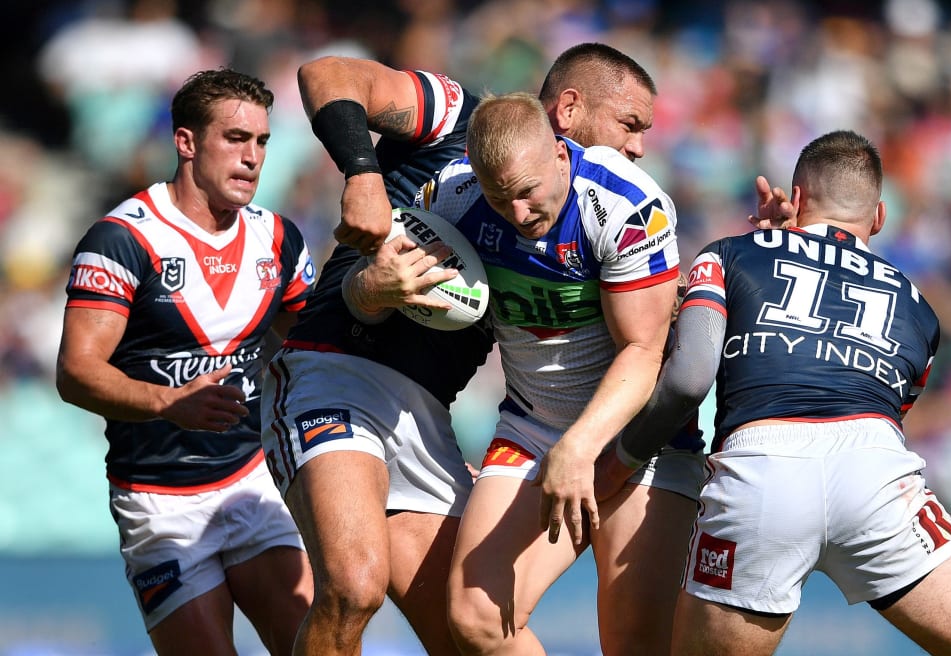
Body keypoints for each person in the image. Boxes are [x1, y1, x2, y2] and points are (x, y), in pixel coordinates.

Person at [262, 42, 702, 656]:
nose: (636, 146)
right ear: (567, 113)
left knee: (466, 635)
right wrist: (362, 177)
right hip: (343, 378)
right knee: (356, 587)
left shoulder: (618, 205)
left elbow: (645, 339)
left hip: (434, 413)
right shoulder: (458, 133)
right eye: (629, 125)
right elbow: (326, 72)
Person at [595, 130, 951, 655]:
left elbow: (688, 378)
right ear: (878, 218)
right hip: (875, 475)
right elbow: (893, 407)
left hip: (761, 473)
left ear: (797, 199)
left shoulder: (727, 255)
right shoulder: (919, 305)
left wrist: (618, 461)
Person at [409, 91, 704, 656]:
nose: (517, 214)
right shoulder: (452, 195)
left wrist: (579, 449)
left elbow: (644, 351)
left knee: (634, 644)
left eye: (527, 192)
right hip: (532, 428)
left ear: (561, 154)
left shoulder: (626, 206)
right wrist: (376, 284)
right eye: (500, 198)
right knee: (474, 619)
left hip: (638, 438)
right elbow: (391, 274)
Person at [55, 69, 315, 656]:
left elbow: (320, 348)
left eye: (262, 142)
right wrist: (170, 401)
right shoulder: (122, 239)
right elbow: (75, 372)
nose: (252, 157)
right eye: (235, 139)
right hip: (159, 499)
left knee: (315, 647)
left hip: (253, 482)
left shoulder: (277, 239)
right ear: (187, 142)